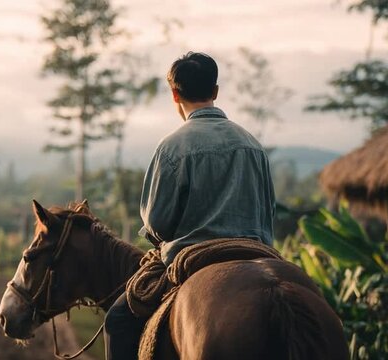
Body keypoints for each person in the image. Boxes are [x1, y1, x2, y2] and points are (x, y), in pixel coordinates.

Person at [103, 51, 276, 360]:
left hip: (190, 261)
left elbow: (158, 225)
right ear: (216, 91)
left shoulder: (172, 148)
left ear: (174, 94)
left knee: (118, 321)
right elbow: (267, 214)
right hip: (258, 254)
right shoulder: (252, 145)